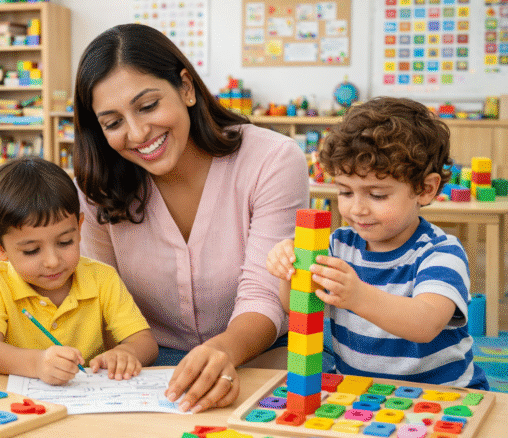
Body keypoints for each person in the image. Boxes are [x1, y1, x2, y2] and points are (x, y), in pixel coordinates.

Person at [73, 23, 309, 413]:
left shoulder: (272, 160)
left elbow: (264, 293)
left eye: (148, 106)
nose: (137, 133)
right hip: (147, 366)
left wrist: (224, 351)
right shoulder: (95, 186)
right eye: (113, 123)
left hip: (262, 352)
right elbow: (101, 297)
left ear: (186, 87)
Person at [266, 96, 488, 390]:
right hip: (362, 394)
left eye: (377, 195)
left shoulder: (441, 252)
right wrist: (289, 271)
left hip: (444, 395)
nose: (357, 209)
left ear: (425, 189)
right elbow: (296, 307)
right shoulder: (338, 246)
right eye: (346, 192)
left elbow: (426, 324)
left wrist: (358, 295)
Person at [0, 156, 158, 385]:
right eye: (31, 250)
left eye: (65, 242)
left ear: (79, 228)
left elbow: (145, 342)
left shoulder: (102, 278)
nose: (52, 261)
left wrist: (127, 353)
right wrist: (37, 363)